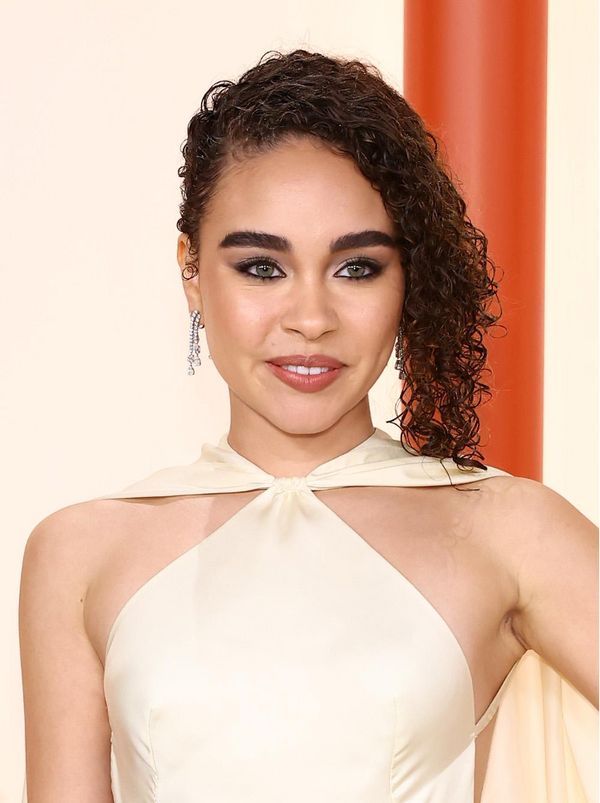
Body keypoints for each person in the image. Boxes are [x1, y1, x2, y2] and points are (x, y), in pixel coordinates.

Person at [19, 49, 599, 803]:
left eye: (357, 267)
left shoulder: (508, 531)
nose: (311, 319)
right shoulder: (78, 554)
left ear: (407, 279)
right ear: (191, 271)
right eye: (262, 266)